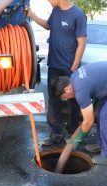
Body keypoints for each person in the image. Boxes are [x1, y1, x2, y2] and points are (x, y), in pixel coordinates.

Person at [50, 61, 107, 164]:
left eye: (64, 97)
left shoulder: (80, 89)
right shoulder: (74, 77)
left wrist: (77, 140)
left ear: (67, 89)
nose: (66, 99)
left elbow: (88, 121)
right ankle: (102, 144)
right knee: (100, 113)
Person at [26, 0, 87, 145]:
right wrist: (32, 15)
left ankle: (72, 133)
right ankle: (55, 134)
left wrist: (73, 68)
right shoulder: (56, 11)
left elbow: (82, 43)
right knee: (54, 100)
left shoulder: (78, 15)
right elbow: (48, 25)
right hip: (54, 65)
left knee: (73, 101)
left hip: (69, 67)